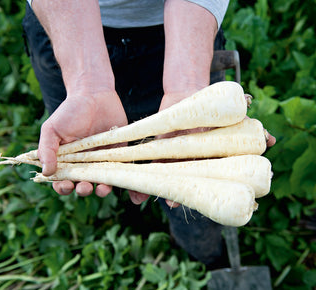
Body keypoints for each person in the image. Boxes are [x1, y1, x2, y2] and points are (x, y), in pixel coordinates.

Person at [22, 0, 275, 268]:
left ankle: (203, 257)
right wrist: (87, 86)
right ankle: (131, 216)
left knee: (196, 188)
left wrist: (187, 85)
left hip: (188, 29)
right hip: (66, 25)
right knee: (87, 151)